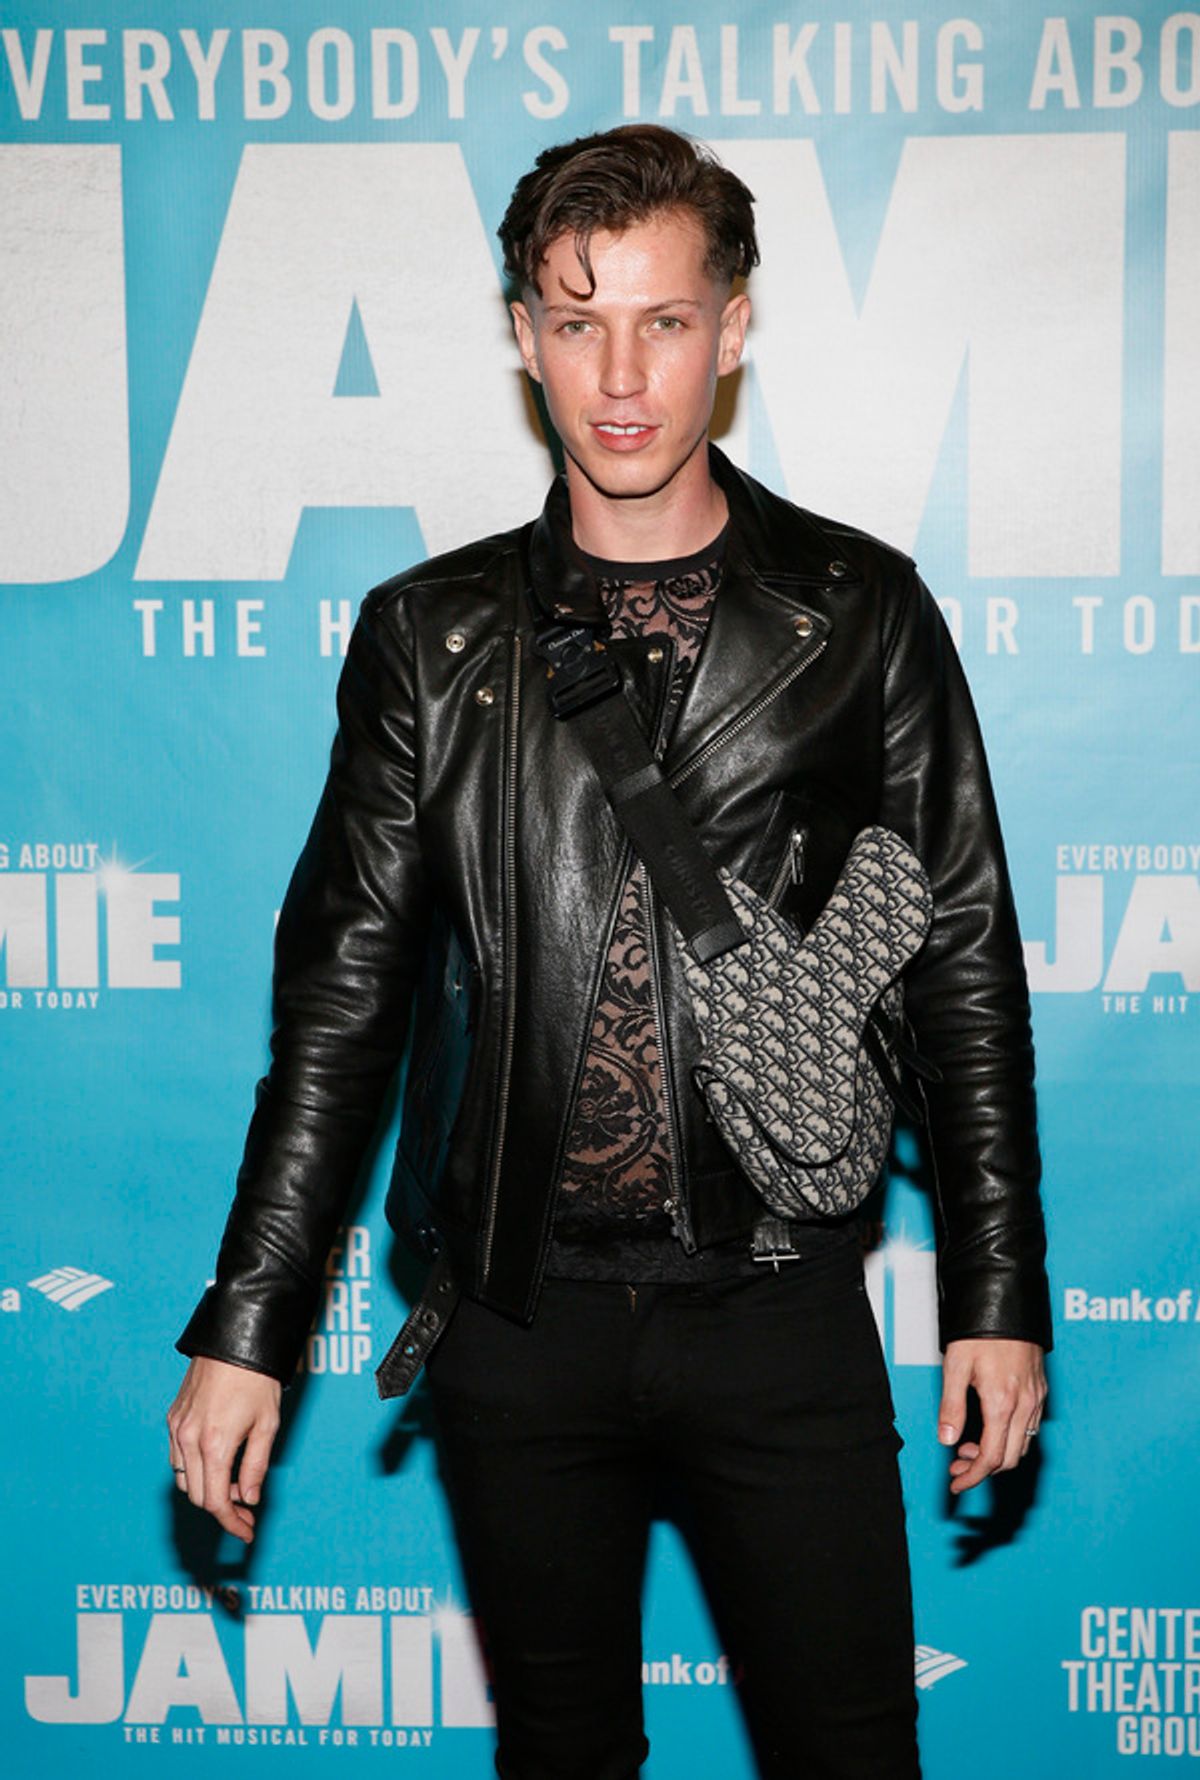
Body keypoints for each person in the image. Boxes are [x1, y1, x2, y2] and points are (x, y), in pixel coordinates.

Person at [168, 124, 1051, 1778]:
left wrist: (1000, 1286)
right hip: (516, 1318)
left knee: (852, 1754)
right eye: (578, 322)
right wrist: (250, 1321)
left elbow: (964, 966)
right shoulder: (432, 640)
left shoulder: (858, 613)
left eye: (662, 318)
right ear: (521, 334)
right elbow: (343, 1003)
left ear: (735, 325)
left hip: (778, 1308)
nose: (623, 373)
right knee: (562, 1755)